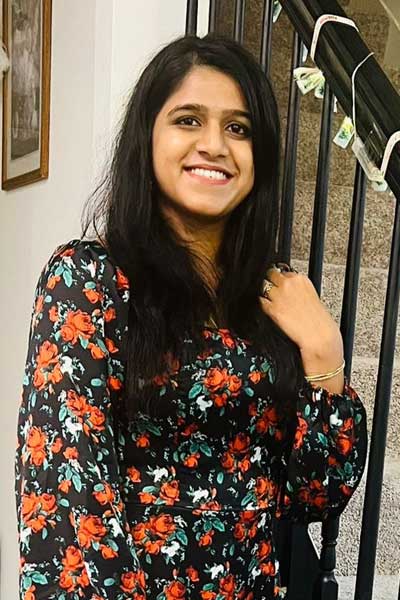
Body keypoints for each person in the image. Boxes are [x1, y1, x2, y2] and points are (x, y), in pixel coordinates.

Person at [15, 34, 367, 600]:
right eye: (187, 120)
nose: (215, 145)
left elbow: (314, 498)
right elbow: (64, 501)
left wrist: (326, 355)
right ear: (147, 138)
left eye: (238, 128)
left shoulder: (273, 297)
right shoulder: (88, 281)